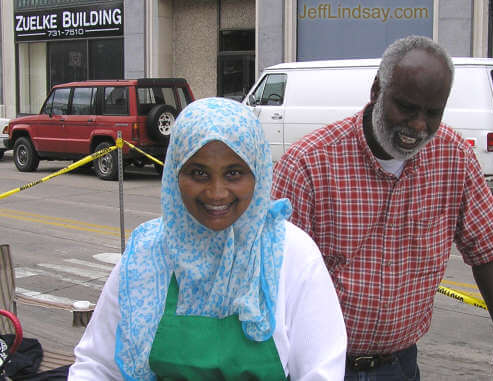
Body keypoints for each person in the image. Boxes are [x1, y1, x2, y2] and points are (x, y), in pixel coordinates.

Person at [271, 35, 493, 380]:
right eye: (407, 108)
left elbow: (487, 250)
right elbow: (273, 276)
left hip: (400, 367)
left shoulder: (454, 158)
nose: (419, 126)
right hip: (319, 366)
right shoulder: (308, 164)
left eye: (432, 112)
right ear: (377, 90)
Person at [68, 97, 347, 380]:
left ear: (259, 174)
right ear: (174, 174)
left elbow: (321, 371)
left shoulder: (291, 254)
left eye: (234, 173)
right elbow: (97, 365)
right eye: (198, 172)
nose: (216, 193)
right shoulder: (148, 253)